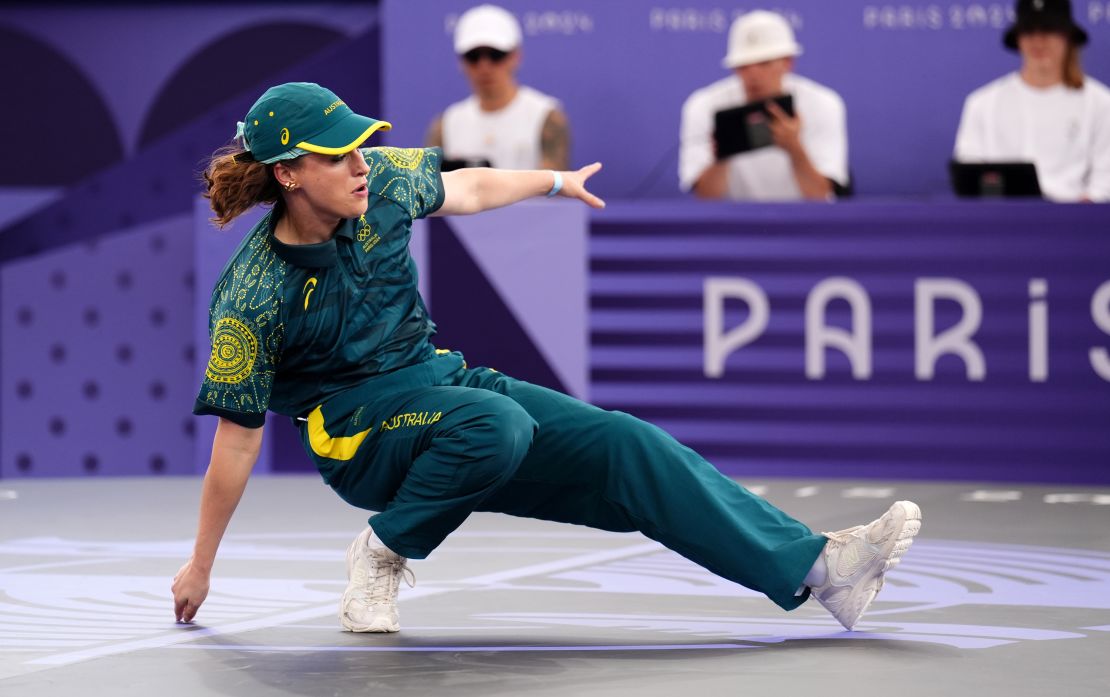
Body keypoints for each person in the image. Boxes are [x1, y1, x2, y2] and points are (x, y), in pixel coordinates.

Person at [172, 81, 921, 636]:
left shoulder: (383, 182)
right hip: (354, 430)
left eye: (358, 143)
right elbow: (237, 441)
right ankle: (382, 551)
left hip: (441, 384)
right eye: (335, 154)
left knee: (625, 445)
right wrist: (201, 564)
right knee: (496, 424)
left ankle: (822, 570)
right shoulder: (252, 294)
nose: (359, 162)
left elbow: (466, 188)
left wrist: (556, 181)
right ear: (288, 174)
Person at [679, 10, 849, 201]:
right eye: (743, 66)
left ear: (787, 62)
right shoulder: (704, 105)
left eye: (764, 63)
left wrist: (794, 148)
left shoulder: (823, 103)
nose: (753, 74)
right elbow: (705, 197)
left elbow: (819, 196)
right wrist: (723, 154)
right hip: (734, 223)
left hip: (802, 223)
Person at [953, 0, 1110, 202]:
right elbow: (970, 176)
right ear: (1018, 38)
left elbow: (1104, 184)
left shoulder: (1100, 104)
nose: (1038, 41)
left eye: (1049, 30)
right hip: (1001, 224)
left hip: (1074, 226)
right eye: (1029, 31)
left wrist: (1073, 215)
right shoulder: (982, 103)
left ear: (1068, 37)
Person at [425, 4, 570, 171]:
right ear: (461, 62)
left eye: (496, 55)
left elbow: (554, 186)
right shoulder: (446, 124)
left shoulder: (545, 116)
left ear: (516, 56)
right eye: (473, 56)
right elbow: (430, 189)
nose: (484, 67)